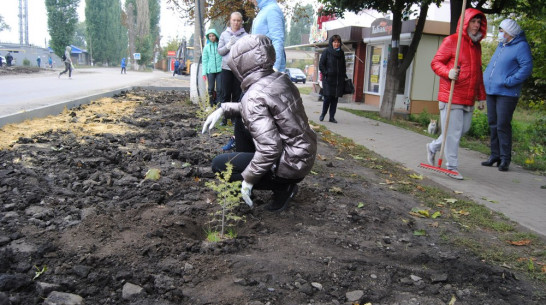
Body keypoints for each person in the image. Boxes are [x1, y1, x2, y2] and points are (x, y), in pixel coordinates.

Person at [202, 35, 317, 212]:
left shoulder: (253, 95)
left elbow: (270, 148)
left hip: (289, 165)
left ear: (241, 63)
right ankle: (273, 181)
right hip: (302, 153)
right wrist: (224, 108)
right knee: (241, 120)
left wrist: (248, 179)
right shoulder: (279, 79)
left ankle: (282, 188)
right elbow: (260, 109)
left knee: (219, 164)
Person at [427, 8, 487, 180]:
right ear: (466, 22)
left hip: (468, 97)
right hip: (451, 95)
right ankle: (451, 166)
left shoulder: (477, 46)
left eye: (479, 22)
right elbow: (436, 62)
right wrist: (448, 72)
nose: (476, 25)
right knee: (453, 132)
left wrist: (481, 96)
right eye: (473, 21)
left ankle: (433, 147)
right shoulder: (452, 41)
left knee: (462, 129)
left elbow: (478, 73)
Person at [482, 19, 533, 172]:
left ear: (510, 32)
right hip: (492, 90)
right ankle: (494, 156)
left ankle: (505, 159)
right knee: (493, 123)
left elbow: (526, 67)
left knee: (502, 125)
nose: (500, 33)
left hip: (507, 92)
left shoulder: (521, 46)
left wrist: (510, 81)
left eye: (502, 30)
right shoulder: (502, 45)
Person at [217, 11, 249, 150]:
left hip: (239, 69)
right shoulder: (224, 35)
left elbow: (248, 52)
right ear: (230, 21)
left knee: (237, 95)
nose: (236, 23)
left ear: (241, 22)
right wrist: (229, 45)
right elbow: (220, 51)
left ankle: (236, 120)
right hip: (226, 68)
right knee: (225, 93)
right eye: (234, 20)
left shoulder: (246, 36)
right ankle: (225, 118)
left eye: (238, 20)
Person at [250, 0, 286, 72]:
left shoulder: (272, 10)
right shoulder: (263, 11)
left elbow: (277, 39)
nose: (250, 0)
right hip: (263, 65)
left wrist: (275, 67)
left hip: (270, 67)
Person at [318, 35, 346, 123]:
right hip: (328, 79)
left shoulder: (341, 53)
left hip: (338, 80)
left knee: (335, 99)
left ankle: (332, 117)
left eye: (338, 42)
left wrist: (343, 76)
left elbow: (343, 66)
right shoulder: (326, 52)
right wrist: (326, 73)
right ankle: (323, 114)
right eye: (335, 42)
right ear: (331, 43)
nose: (336, 44)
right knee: (327, 98)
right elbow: (321, 65)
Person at [202, 28, 223, 107]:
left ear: (216, 36)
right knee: (210, 88)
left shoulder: (220, 46)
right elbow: (204, 60)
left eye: (213, 35)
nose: (211, 37)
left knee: (219, 89)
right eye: (210, 36)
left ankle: (218, 104)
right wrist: (204, 73)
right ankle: (210, 104)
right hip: (210, 71)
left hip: (219, 70)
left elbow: (223, 57)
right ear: (208, 37)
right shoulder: (206, 48)